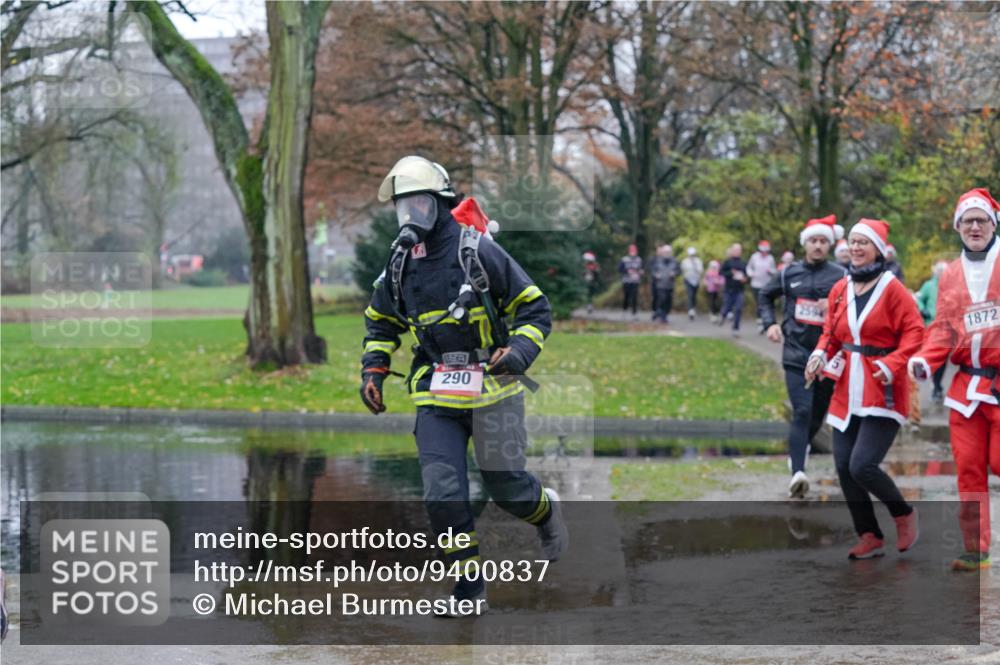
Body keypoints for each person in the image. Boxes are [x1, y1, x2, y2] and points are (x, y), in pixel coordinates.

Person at [360, 155, 568, 612]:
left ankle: (545, 510)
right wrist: (373, 369)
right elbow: (380, 322)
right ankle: (469, 590)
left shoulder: (477, 250)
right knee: (442, 493)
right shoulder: (399, 263)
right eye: (402, 207)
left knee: (507, 489)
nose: (410, 216)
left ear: (439, 204)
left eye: (418, 204)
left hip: (495, 392)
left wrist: (518, 353)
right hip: (437, 392)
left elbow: (534, 308)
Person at [805, 218, 924, 560]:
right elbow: (831, 333)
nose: (856, 247)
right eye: (853, 242)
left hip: (882, 388)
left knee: (862, 465)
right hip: (847, 390)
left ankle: (904, 514)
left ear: (878, 249)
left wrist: (892, 363)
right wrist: (819, 355)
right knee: (844, 466)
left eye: (864, 242)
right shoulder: (841, 288)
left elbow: (916, 332)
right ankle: (869, 535)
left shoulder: (893, 288)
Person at [908, 188, 1000, 571]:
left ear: (993, 224)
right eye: (968, 221)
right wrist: (924, 362)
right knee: (969, 470)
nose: (975, 227)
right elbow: (943, 329)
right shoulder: (949, 275)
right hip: (965, 391)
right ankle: (976, 549)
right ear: (958, 227)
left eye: (981, 220)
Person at [760, 215, 846, 498]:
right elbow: (765, 295)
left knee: (817, 415)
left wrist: (832, 308)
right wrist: (770, 324)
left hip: (827, 355)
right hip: (796, 354)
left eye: (823, 241)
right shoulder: (789, 273)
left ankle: (800, 449)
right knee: (802, 411)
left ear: (829, 245)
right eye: (813, 241)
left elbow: (853, 308)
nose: (818, 246)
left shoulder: (841, 275)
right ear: (805, 244)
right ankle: (798, 472)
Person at [914, 261, 950, 402]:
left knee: (943, 359)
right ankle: (936, 386)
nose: (941, 272)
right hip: (931, 327)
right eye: (939, 270)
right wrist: (923, 309)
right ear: (935, 271)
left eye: (944, 270)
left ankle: (937, 385)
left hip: (947, 327)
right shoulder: (928, 286)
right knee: (934, 357)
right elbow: (919, 299)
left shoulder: (952, 284)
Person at [747, 240, 778, 333]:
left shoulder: (770, 258)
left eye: (766, 251)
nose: (764, 253)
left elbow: (774, 270)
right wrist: (751, 274)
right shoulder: (754, 257)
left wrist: (770, 271)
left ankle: (765, 322)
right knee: (759, 303)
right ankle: (760, 322)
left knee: (765, 303)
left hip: (766, 284)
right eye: (763, 251)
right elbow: (748, 267)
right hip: (756, 284)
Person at [720, 243, 748, 336]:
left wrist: (744, 279)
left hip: (739, 290)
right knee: (727, 306)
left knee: (738, 308)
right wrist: (731, 273)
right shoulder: (727, 262)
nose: (737, 252)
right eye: (735, 250)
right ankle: (723, 315)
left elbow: (746, 275)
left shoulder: (743, 263)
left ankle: (736, 328)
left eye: (739, 250)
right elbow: (721, 273)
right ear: (732, 251)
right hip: (728, 289)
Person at [650, 244, 679, 323]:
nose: (667, 253)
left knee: (668, 302)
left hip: (670, 285)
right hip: (660, 285)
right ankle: (663, 316)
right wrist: (656, 275)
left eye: (668, 252)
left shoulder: (674, 261)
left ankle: (660, 313)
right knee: (662, 299)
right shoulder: (658, 261)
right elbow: (653, 270)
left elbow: (678, 270)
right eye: (665, 252)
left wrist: (674, 273)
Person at [618, 244, 643, 318]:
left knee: (634, 297)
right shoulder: (624, 259)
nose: (633, 253)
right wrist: (627, 271)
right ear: (629, 252)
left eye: (634, 251)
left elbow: (642, 268)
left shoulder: (639, 259)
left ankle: (634, 313)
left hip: (635, 281)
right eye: (632, 251)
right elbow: (620, 269)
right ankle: (624, 311)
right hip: (626, 281)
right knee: (626, 296)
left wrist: (640, 272)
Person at [681, 246, 704, 320]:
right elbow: (683, 270)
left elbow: (701, 270)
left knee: (694, 295)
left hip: (696, 280)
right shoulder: (685, 261)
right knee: (690, 295)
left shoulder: (698, 261)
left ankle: (693, 308)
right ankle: (690, 310)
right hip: (688, 280)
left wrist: (695, 266)